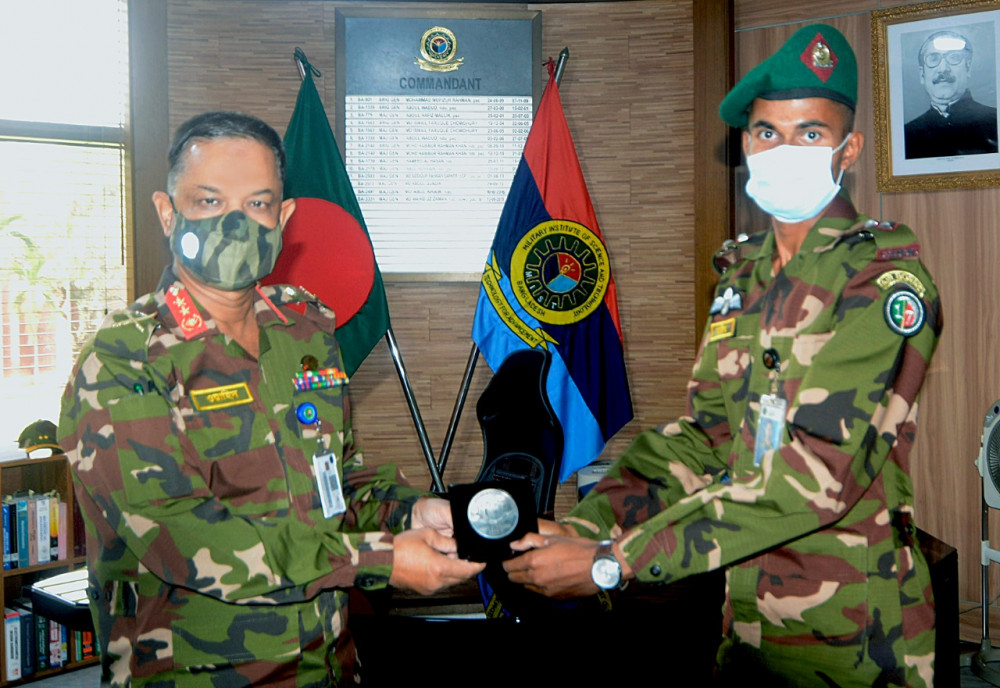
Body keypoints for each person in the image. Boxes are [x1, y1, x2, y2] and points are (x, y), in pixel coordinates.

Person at [504, 24, 941, 687]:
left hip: (856, 642)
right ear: (744, 144)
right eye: (767, 132)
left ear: (847, 150)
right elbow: (704, 441)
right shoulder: (742, 279)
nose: (783, 149)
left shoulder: (882, 286)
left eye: (810, 134)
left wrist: (612, 560)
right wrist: (588, 522)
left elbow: (812, 476)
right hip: (743, 626)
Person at [58, 111, 483, 687]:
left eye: (258, 204)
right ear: (167, 211)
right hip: (199, 674)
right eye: (209, 202)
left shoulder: (304, 331)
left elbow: (335, 484)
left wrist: (410, 510)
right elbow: (183, 537)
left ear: (283, 218)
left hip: (329, 664)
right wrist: (380, 559)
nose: (236, 222)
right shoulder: (122, 359)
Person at [904, 29, 998, 159]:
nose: (943, 69)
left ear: (968, 68)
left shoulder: (995, 122)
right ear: (922, 74)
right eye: (933, 59)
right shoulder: (906, 135)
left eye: (954, 58)